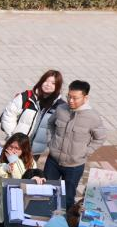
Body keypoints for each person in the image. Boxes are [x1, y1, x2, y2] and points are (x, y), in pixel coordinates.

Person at [44, 80, 106, 208]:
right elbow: (50, 124)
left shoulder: (93, 117)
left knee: (68, 199)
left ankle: (66, 220)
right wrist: (51, 142)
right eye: (69, 96)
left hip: (74, 166)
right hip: (53, 161)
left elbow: (100, 138)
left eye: (75, 98)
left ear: (85, 98)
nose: (71, 101)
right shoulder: (61, 109)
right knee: (46, 192)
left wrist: (84, 152)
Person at [0, 70, 63, 156]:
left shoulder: (59, 106)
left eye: (53, 83)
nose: (48, 84)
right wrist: (13, 137)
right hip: (15, 146)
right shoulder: (27, 96)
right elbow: (9, 114)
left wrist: (49, 145)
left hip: (36, 152)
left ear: (58, 86)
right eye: (46, 81)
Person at [0, 133, 34, 225]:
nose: (13, 151)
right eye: (11, 147)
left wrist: (14, 161)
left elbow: (21, 181)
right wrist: (4, 168)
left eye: (17, 149)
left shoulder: (31, 163)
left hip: (9, 204)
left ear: (24, 150)